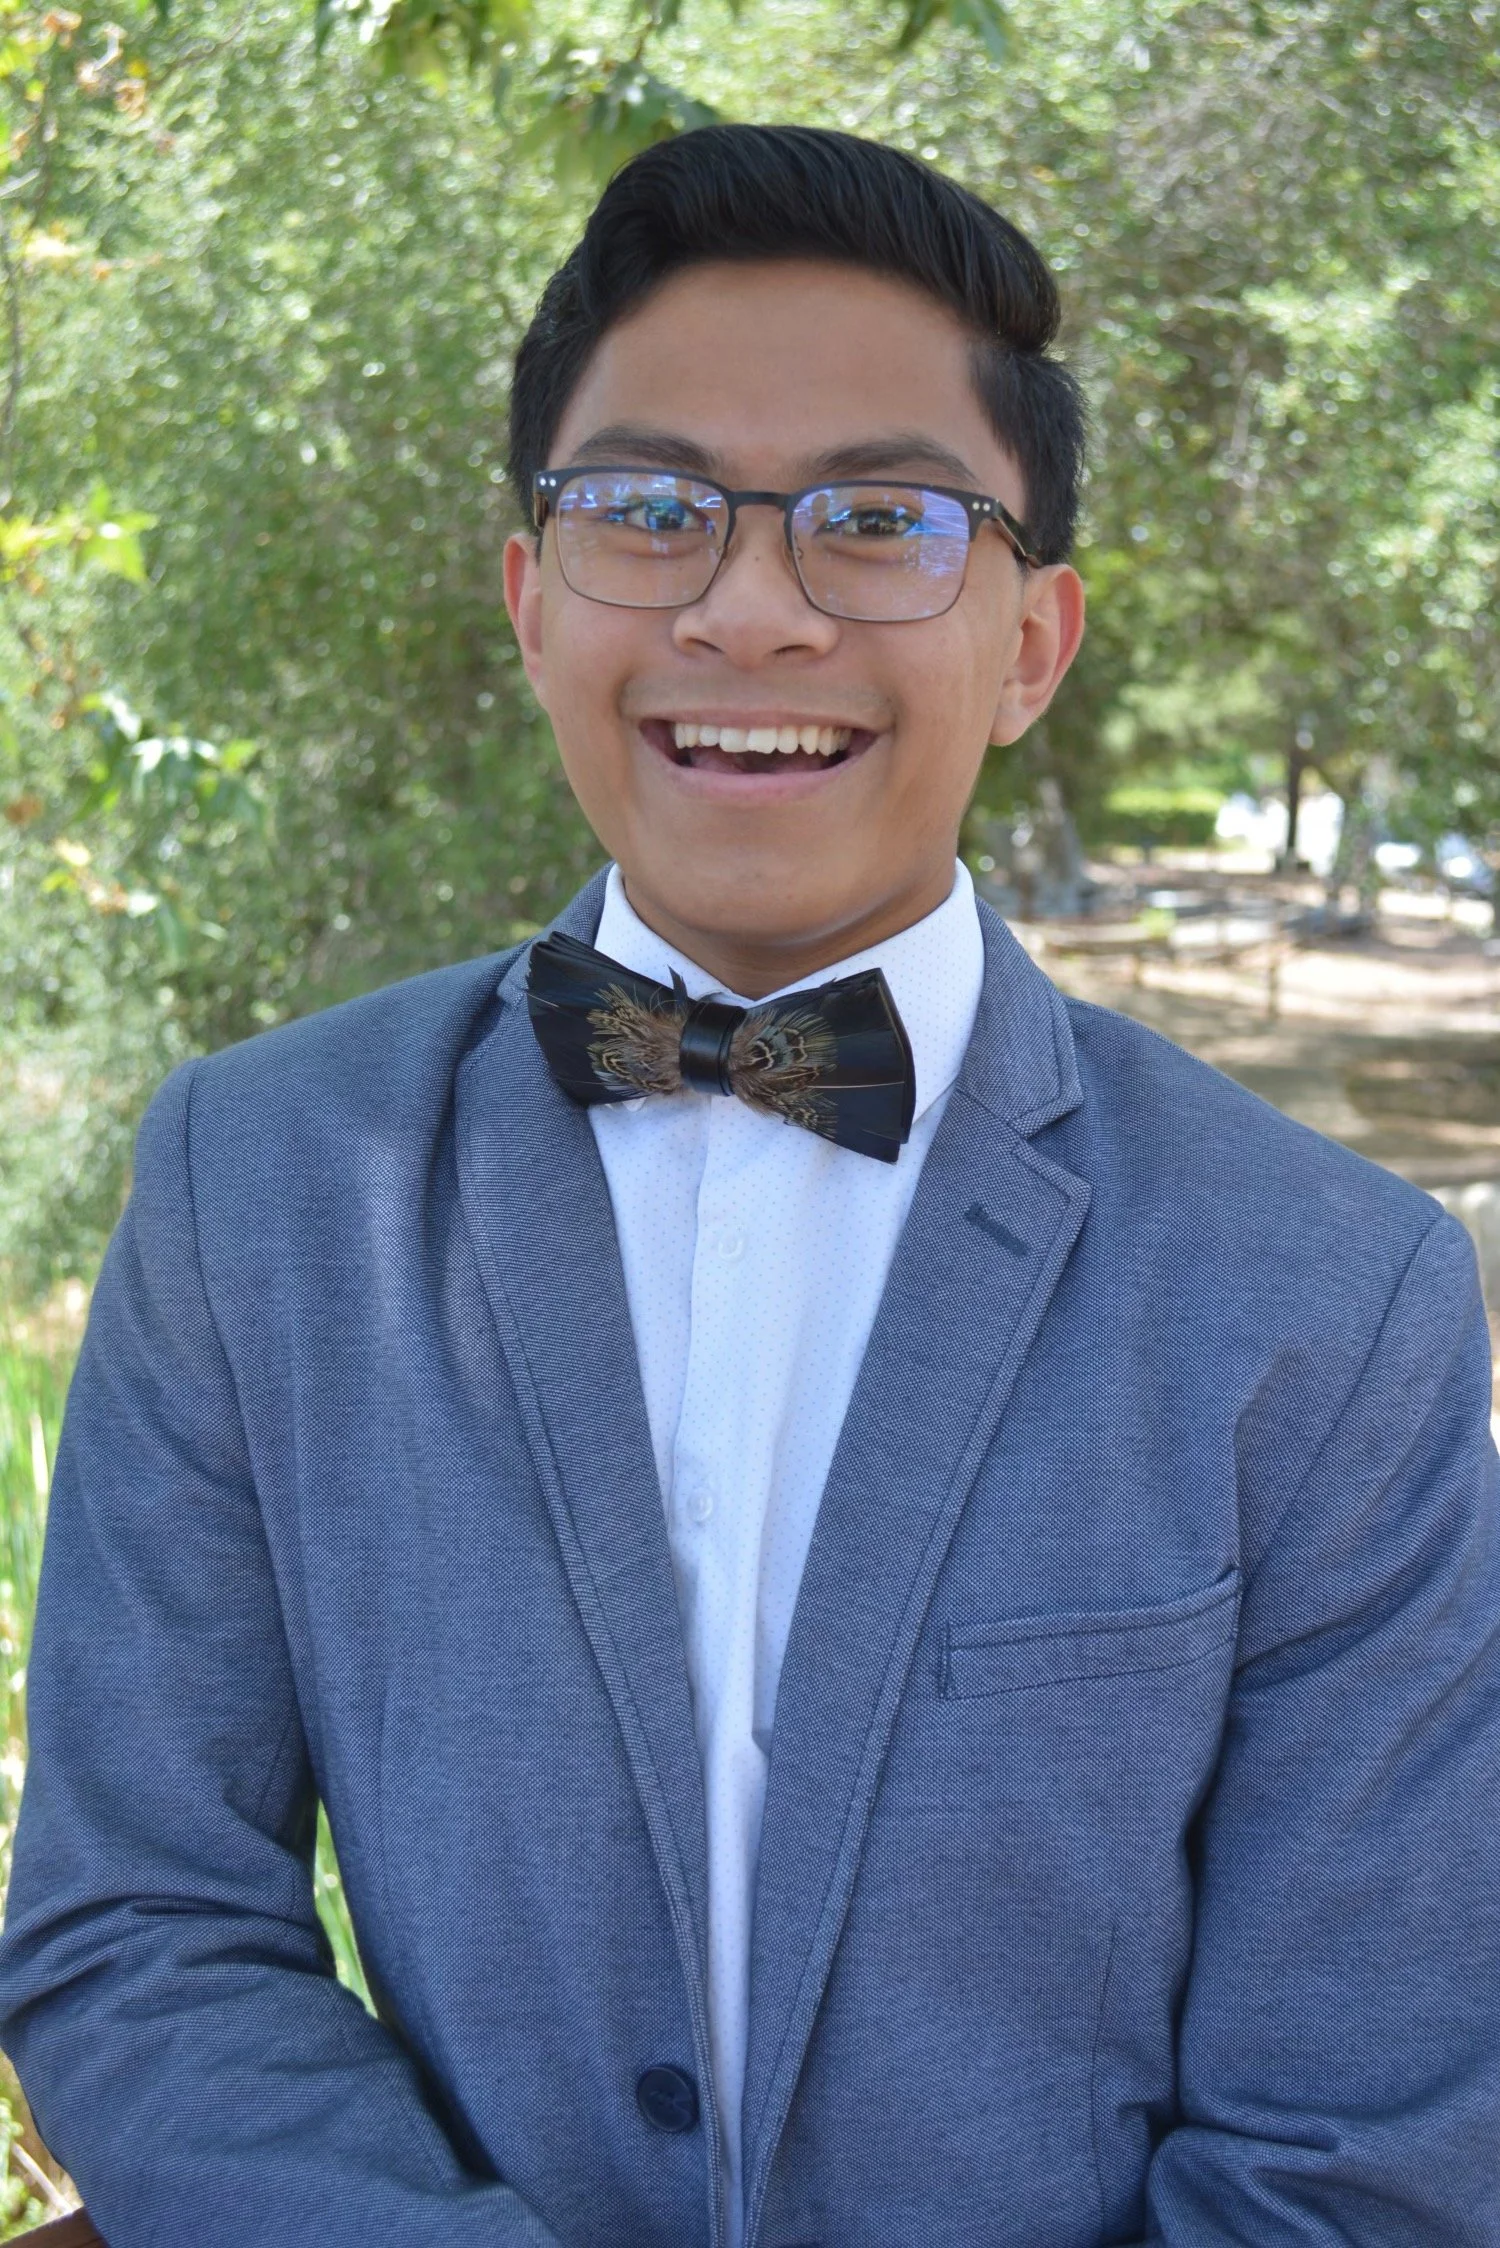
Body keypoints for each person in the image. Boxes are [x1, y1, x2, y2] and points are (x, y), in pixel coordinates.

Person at [2, 122, 1497, 2248]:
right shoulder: (260, 1188)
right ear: (531, 597)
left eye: (882, 520)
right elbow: (145, 1921)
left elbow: (1357, 2126)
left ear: (1034, 641)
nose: (750, 606)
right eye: (647, 509)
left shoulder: (1329, 1296)